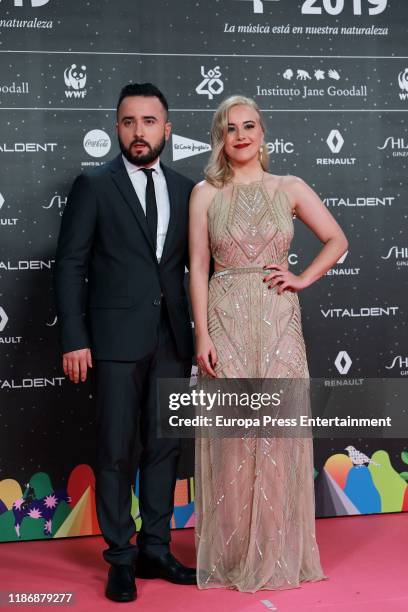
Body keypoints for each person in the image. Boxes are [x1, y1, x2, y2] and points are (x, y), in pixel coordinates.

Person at [189, 95, 348, 592]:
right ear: (220, 137)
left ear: (262, 134)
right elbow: (196, 267)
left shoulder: (291, 186)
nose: (241, 134)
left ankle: (278, 552)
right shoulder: (205, 193)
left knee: (278, 434)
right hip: (225, 317)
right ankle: (236, 555)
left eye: (249, 126)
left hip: (278, 321)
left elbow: (337, 240)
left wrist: (301, 277)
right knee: (233, 441)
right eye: (230, 127)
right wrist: (202, 332)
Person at [54, 83, 196, 603]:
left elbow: (194, 268)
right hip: (112, 341)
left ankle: (155, 549)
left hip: (174, 341)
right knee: (116, 450)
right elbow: (70, 265)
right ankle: (119, 558)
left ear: (167, 128)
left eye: (150, 121)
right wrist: (74, 337)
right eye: (130, 122)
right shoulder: (94, 185)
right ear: (117, 128)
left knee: (164, 450)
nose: (140, 132)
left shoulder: (187, 189)